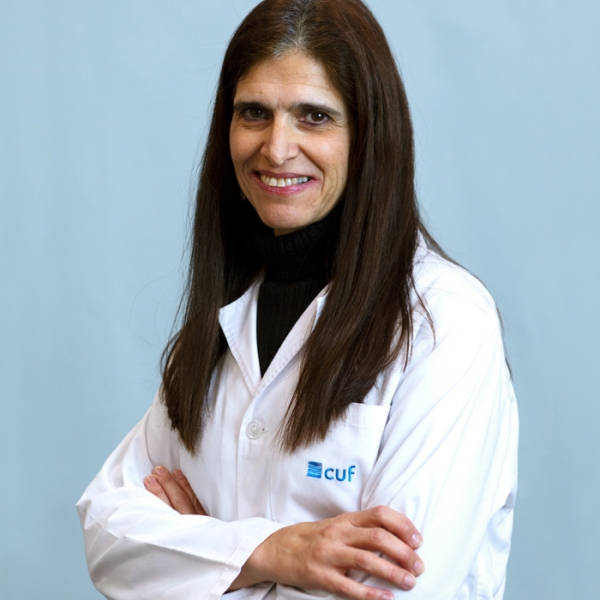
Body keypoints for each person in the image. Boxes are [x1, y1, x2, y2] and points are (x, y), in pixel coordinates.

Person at [76, 0, 518, 599]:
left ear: (369, 136)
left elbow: (393, 588)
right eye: (254, 113)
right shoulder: (210, 338)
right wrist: (269, 552)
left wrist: (202, 556)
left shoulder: (445, 324)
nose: (277, 148)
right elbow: (106, 534)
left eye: (314, 116)